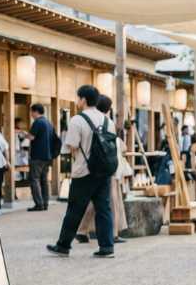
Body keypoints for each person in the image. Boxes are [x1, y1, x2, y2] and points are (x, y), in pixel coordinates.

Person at [46, 85, 116, 258]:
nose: (77, 101)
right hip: (104, 171)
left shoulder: (77, 120)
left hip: (83, 172)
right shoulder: (108, 121)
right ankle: (107, 247)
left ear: (83, 99)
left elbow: (72, 146)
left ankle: (63, 245)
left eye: (78, 98)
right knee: (103, 209)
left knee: (75, 210)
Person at [75, 95, 130, 245]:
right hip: (108, 167)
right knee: (112, 201)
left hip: (91, 166)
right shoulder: (107, 122)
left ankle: (81, 230)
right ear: (108, 108)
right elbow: (118, 145)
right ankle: (112, 234)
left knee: (94, 201)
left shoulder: (87, 120)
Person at [27, 104, 57, 211]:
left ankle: (39, 204)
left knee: (34, 179)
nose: (31, 114)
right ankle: (45, 203)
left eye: (31, 112)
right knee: (44, 180)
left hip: (37, 156)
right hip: (47, 156)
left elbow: (31, 137)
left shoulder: (38, 122)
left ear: (35, 112)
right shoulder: (49, 123)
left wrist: (24, 134)